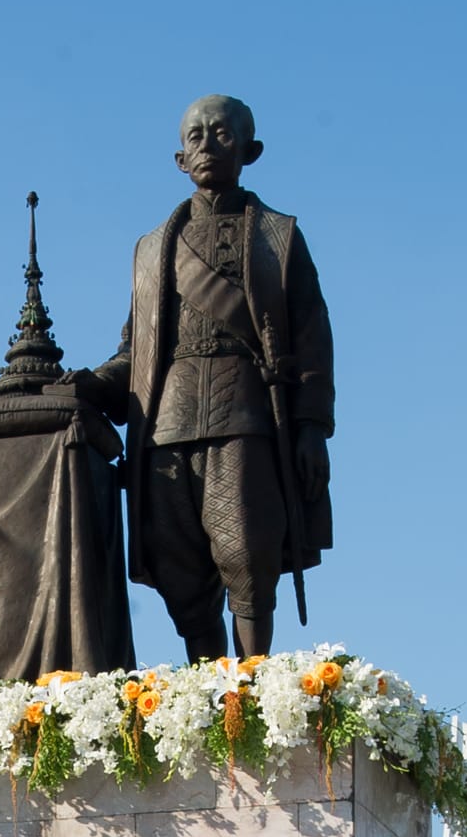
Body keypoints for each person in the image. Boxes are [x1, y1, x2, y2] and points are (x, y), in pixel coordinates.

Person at [89, 91, 335, 661]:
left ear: (251, 149)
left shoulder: (278, 236)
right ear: (179, 159)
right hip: (166, 423)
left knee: (247, 554)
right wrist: (91, 385)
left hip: (244, 414)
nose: (206, 144)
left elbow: (312, 333)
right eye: (194, 135)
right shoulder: (152, 249)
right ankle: (207, 691)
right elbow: (134, 350)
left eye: (221, 133)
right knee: (179, 566)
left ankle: (252, 689)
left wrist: (311, 427)